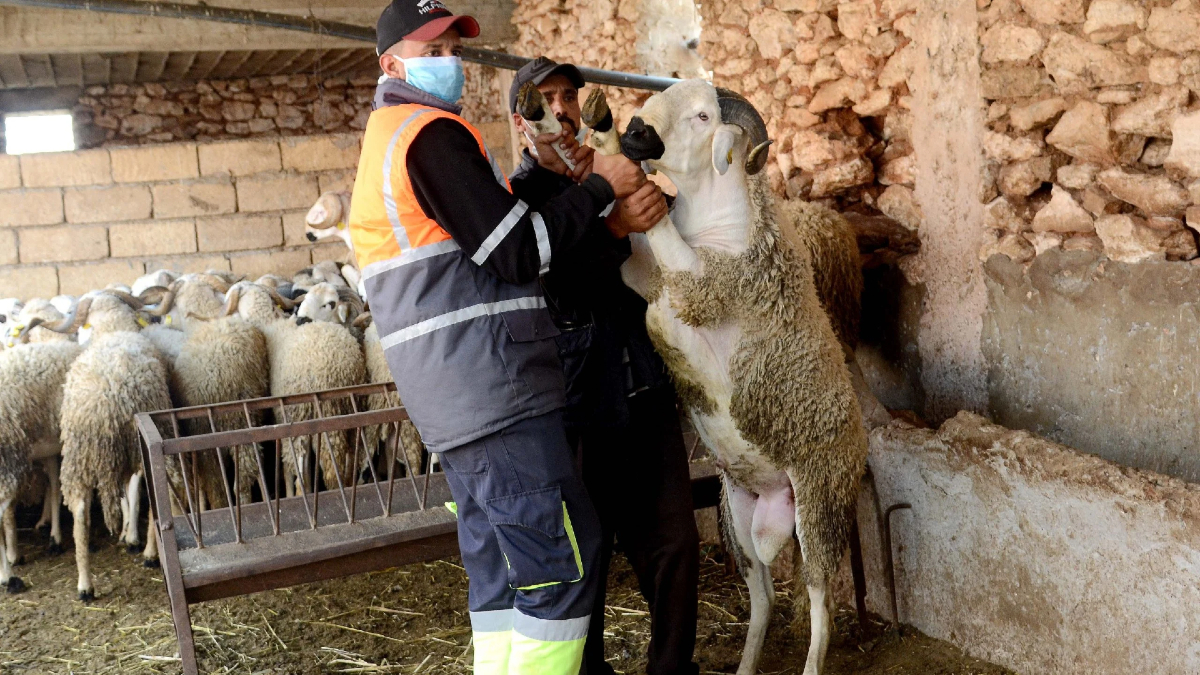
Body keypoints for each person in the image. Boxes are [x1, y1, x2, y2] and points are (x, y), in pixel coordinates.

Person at [347, 2, 654, 673]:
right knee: (562, 563)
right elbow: (517, 251)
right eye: (431, 53)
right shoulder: (428, 135)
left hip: (457, 402)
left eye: (453, 50)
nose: (449, 63)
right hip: (493, 392)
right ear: (391, 64)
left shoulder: (390, 138)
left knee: (502, 577)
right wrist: (600, 188)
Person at [508, 58, 701, 675]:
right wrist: (614, 225)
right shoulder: (519, 202)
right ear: (522, 122)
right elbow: (554, 283)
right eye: (545, 99)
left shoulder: (615, 169)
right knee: (582, 556)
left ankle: (671, 670)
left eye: (569, 95)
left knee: (674, 542)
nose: (561, 109)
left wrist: (654, 204)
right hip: (577, 402)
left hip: (643, 385)